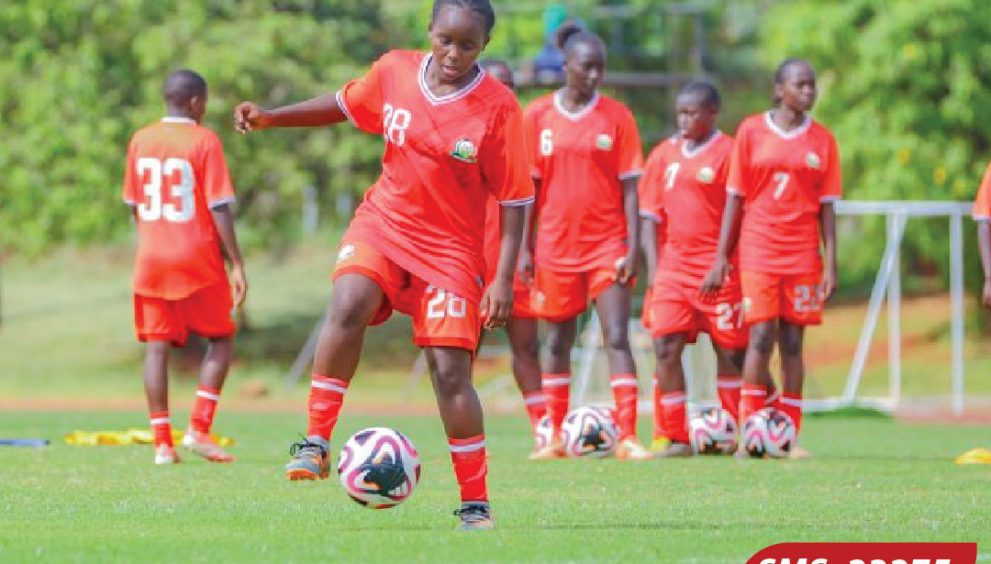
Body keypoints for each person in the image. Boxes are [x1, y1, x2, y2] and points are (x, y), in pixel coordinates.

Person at [234, 0, 532, 530]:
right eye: (445, 39)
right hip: (385, 224)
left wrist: (503, 279)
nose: (454, 53)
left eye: (467, 44)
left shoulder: (499, 108)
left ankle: (475, 502)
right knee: (348, 300)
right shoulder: (394, 70)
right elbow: (341, 104)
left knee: (450, 373)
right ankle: (316, 441)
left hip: (452, 250)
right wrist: (273, 117)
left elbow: (515, 199)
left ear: (484, 45)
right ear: (430, 31)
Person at [522, 24, 651, 461]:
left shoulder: (618, 117)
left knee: (616, 336)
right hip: (554, 248)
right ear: (566, 66)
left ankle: (628, 435)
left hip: (607, 245)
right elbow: (528, 190)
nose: (594, 75)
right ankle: (554, 435)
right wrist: (523, 249)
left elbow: (631, 188)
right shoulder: (537, 116)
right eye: (586, 67)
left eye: (600, 68)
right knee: (558, 343)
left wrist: (632, 246)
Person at [707, 59, 841, 453]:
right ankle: (752, 429)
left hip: (802, 254)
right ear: (779, 89)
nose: (808, 91)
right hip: (759, 249)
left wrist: (831, 262)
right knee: (760, 337)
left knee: (793, 344)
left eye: (812, 84)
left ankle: (788, 435)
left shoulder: (823, 140)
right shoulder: (751, 131)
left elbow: (827, 208)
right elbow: (735, 198)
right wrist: (722, 255)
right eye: (800, 84)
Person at [122, 69, 248, 465]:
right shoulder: (204, 140)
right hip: (197, 256)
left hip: (151, 258)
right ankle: (199, 429)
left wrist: (154, 240)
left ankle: (163, 445)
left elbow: (134, 206)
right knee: (222, 337)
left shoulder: (141, 139)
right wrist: (237, 262)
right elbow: (219, 206)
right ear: (195, 102)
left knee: (156, 348)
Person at [639, 81, 747, 457]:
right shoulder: (663, 155)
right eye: (680, 113)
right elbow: (650, 217)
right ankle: (674, 435)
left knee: (731, 352)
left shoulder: (729, 153)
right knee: (665, 346)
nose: (683, 120)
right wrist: (655, 272)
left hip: (719, 271)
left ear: (712, 113)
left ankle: (738, 430)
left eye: (692, 113)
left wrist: (722, 260)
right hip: (673, 270)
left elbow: (739, 212)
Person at [479, 59, 546, 451]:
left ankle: (544, 429)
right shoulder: (458, 128)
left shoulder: (522, 135)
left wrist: (525, 250)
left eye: (509, 85)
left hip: (509, 257)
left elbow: (528, 201)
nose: (502, 92)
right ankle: (462, 433)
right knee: (460, 350)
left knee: (527, 346)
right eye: (494, 84)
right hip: (468, 258)